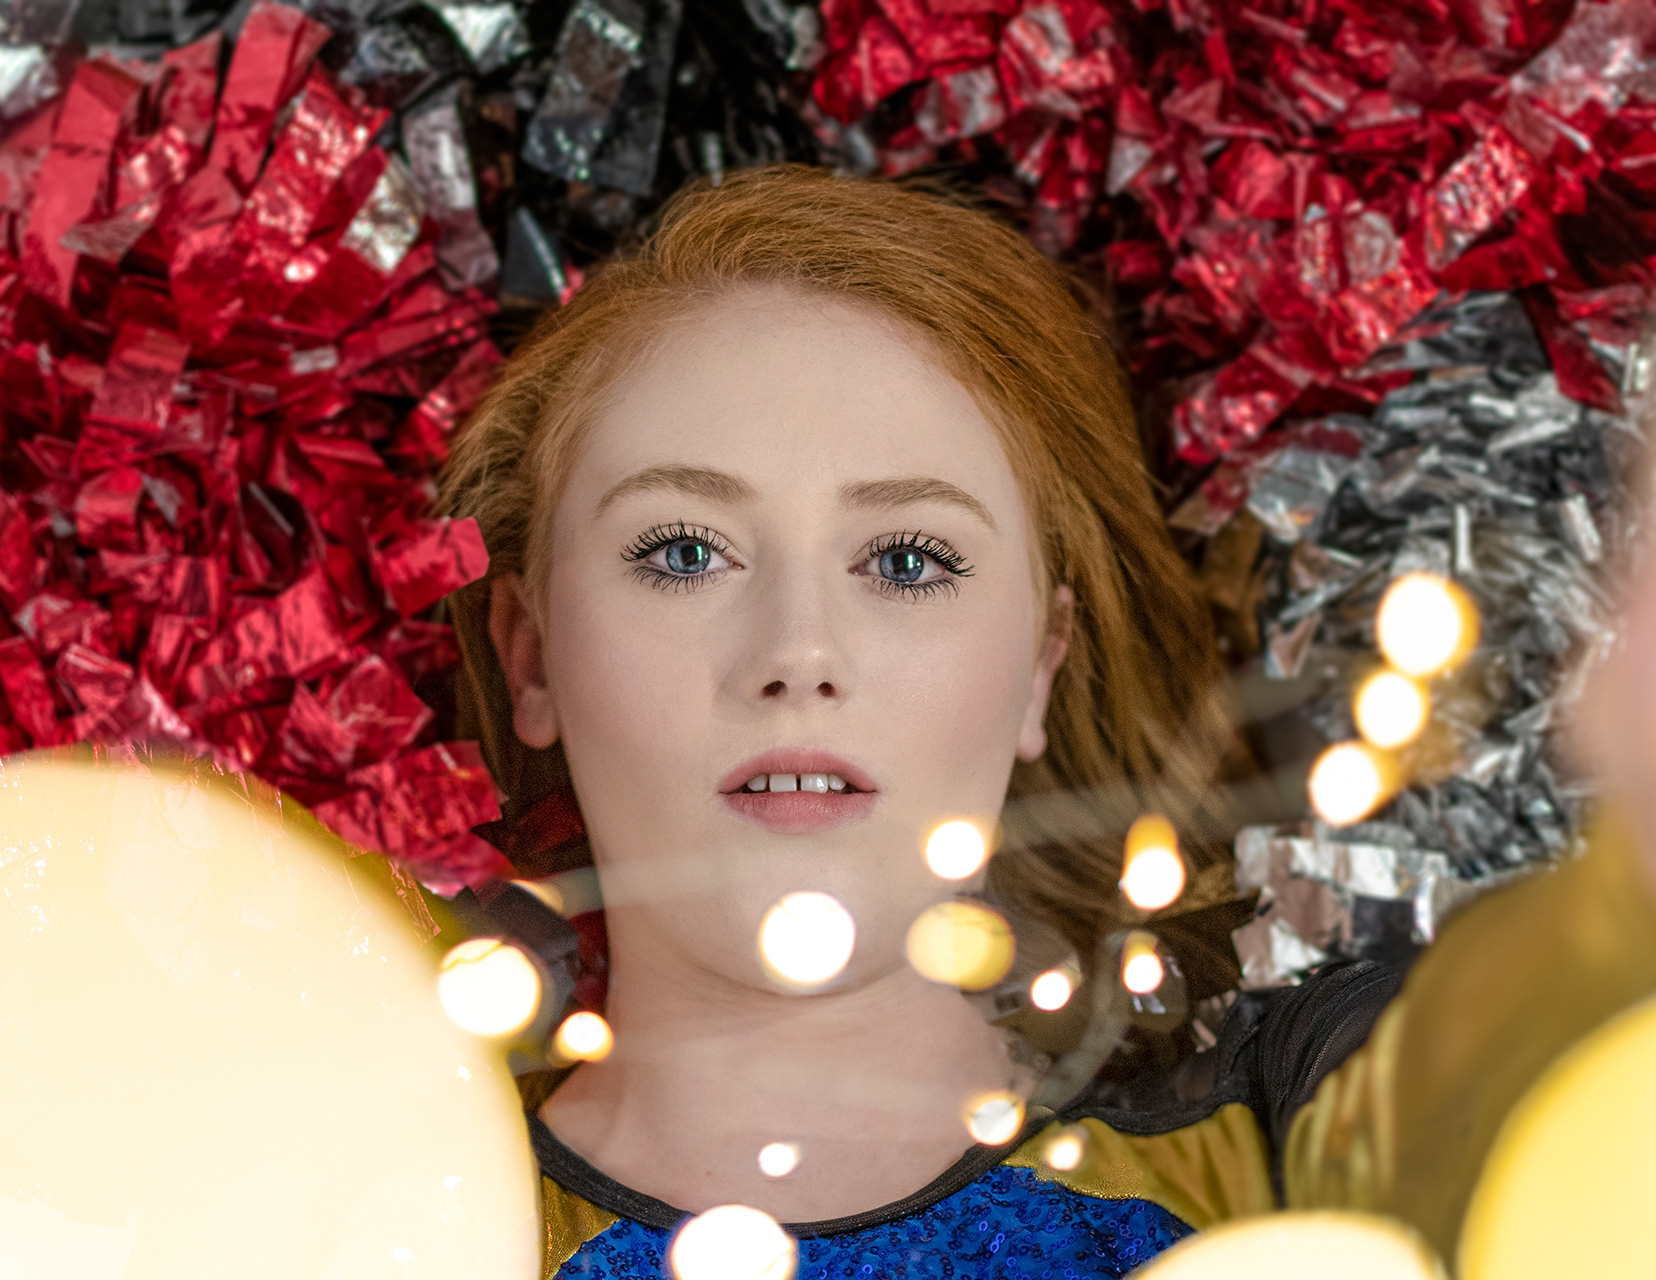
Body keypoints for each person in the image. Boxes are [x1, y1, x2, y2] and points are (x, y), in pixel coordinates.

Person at [438, 166, 1656, 1278]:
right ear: (530, 653)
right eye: (684, 551)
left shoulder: (1301, 1141)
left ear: (1040, 665)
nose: (797, 653)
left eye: (906, 560)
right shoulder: (372, 1208)